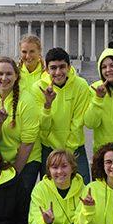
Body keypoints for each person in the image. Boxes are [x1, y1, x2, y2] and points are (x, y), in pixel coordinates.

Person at [0, 57, 41, 191]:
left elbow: (28, 142)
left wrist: (14, 174)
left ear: (16, 76)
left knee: (20, 200)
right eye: (0, 74)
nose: (4, 78)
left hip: (26, 159)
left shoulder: (27, 99)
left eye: (9, 74)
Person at [32, 47, 92, 181]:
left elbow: (77, 122)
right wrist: (47, 106)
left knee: (84, 188)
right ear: (46, 69)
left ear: (69, 67)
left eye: (62, 67)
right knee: (49, 192)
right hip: (48, 148)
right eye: (53, 68)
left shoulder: (81, 85)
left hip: (75, 148)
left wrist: (67, 152)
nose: (58, 72)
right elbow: (43, 127)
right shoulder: (38, 88)